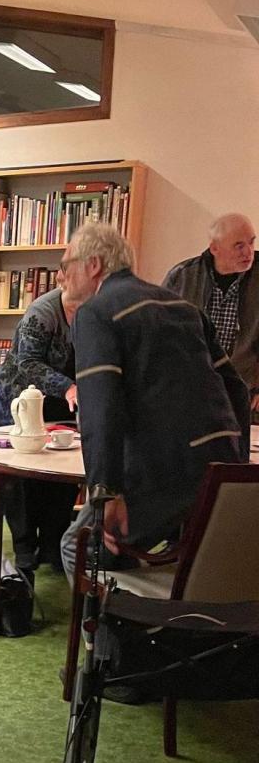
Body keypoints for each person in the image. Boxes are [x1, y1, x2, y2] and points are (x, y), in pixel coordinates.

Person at [58, 222, 249, 579]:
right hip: (219, 472)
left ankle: (107, 634)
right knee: (119, 550)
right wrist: (235, 463)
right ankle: (138, 615)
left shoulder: (97, 313)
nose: (61, 277)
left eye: (66, 266)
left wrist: (106, 492)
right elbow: (236, 388)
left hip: (166, 473)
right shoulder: (184, 307)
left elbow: (101, 407)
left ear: (94, 265)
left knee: (78, 545)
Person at [0, 285, 82, 574]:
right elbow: (27, 362)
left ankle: (54, 545)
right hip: (18, 401)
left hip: (60, 405)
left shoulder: (94, 312)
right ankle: (24, 548)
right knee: (23, 481)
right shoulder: (43, 312)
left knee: (63, 473)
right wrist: (68, 387)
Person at [163, 213, 258, 414]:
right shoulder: (182, 277)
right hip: (190, 393)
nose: (248, 252)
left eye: (251, 242)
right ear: (215, 248)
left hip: (245, 396)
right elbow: (160, 335)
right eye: (239, 245)